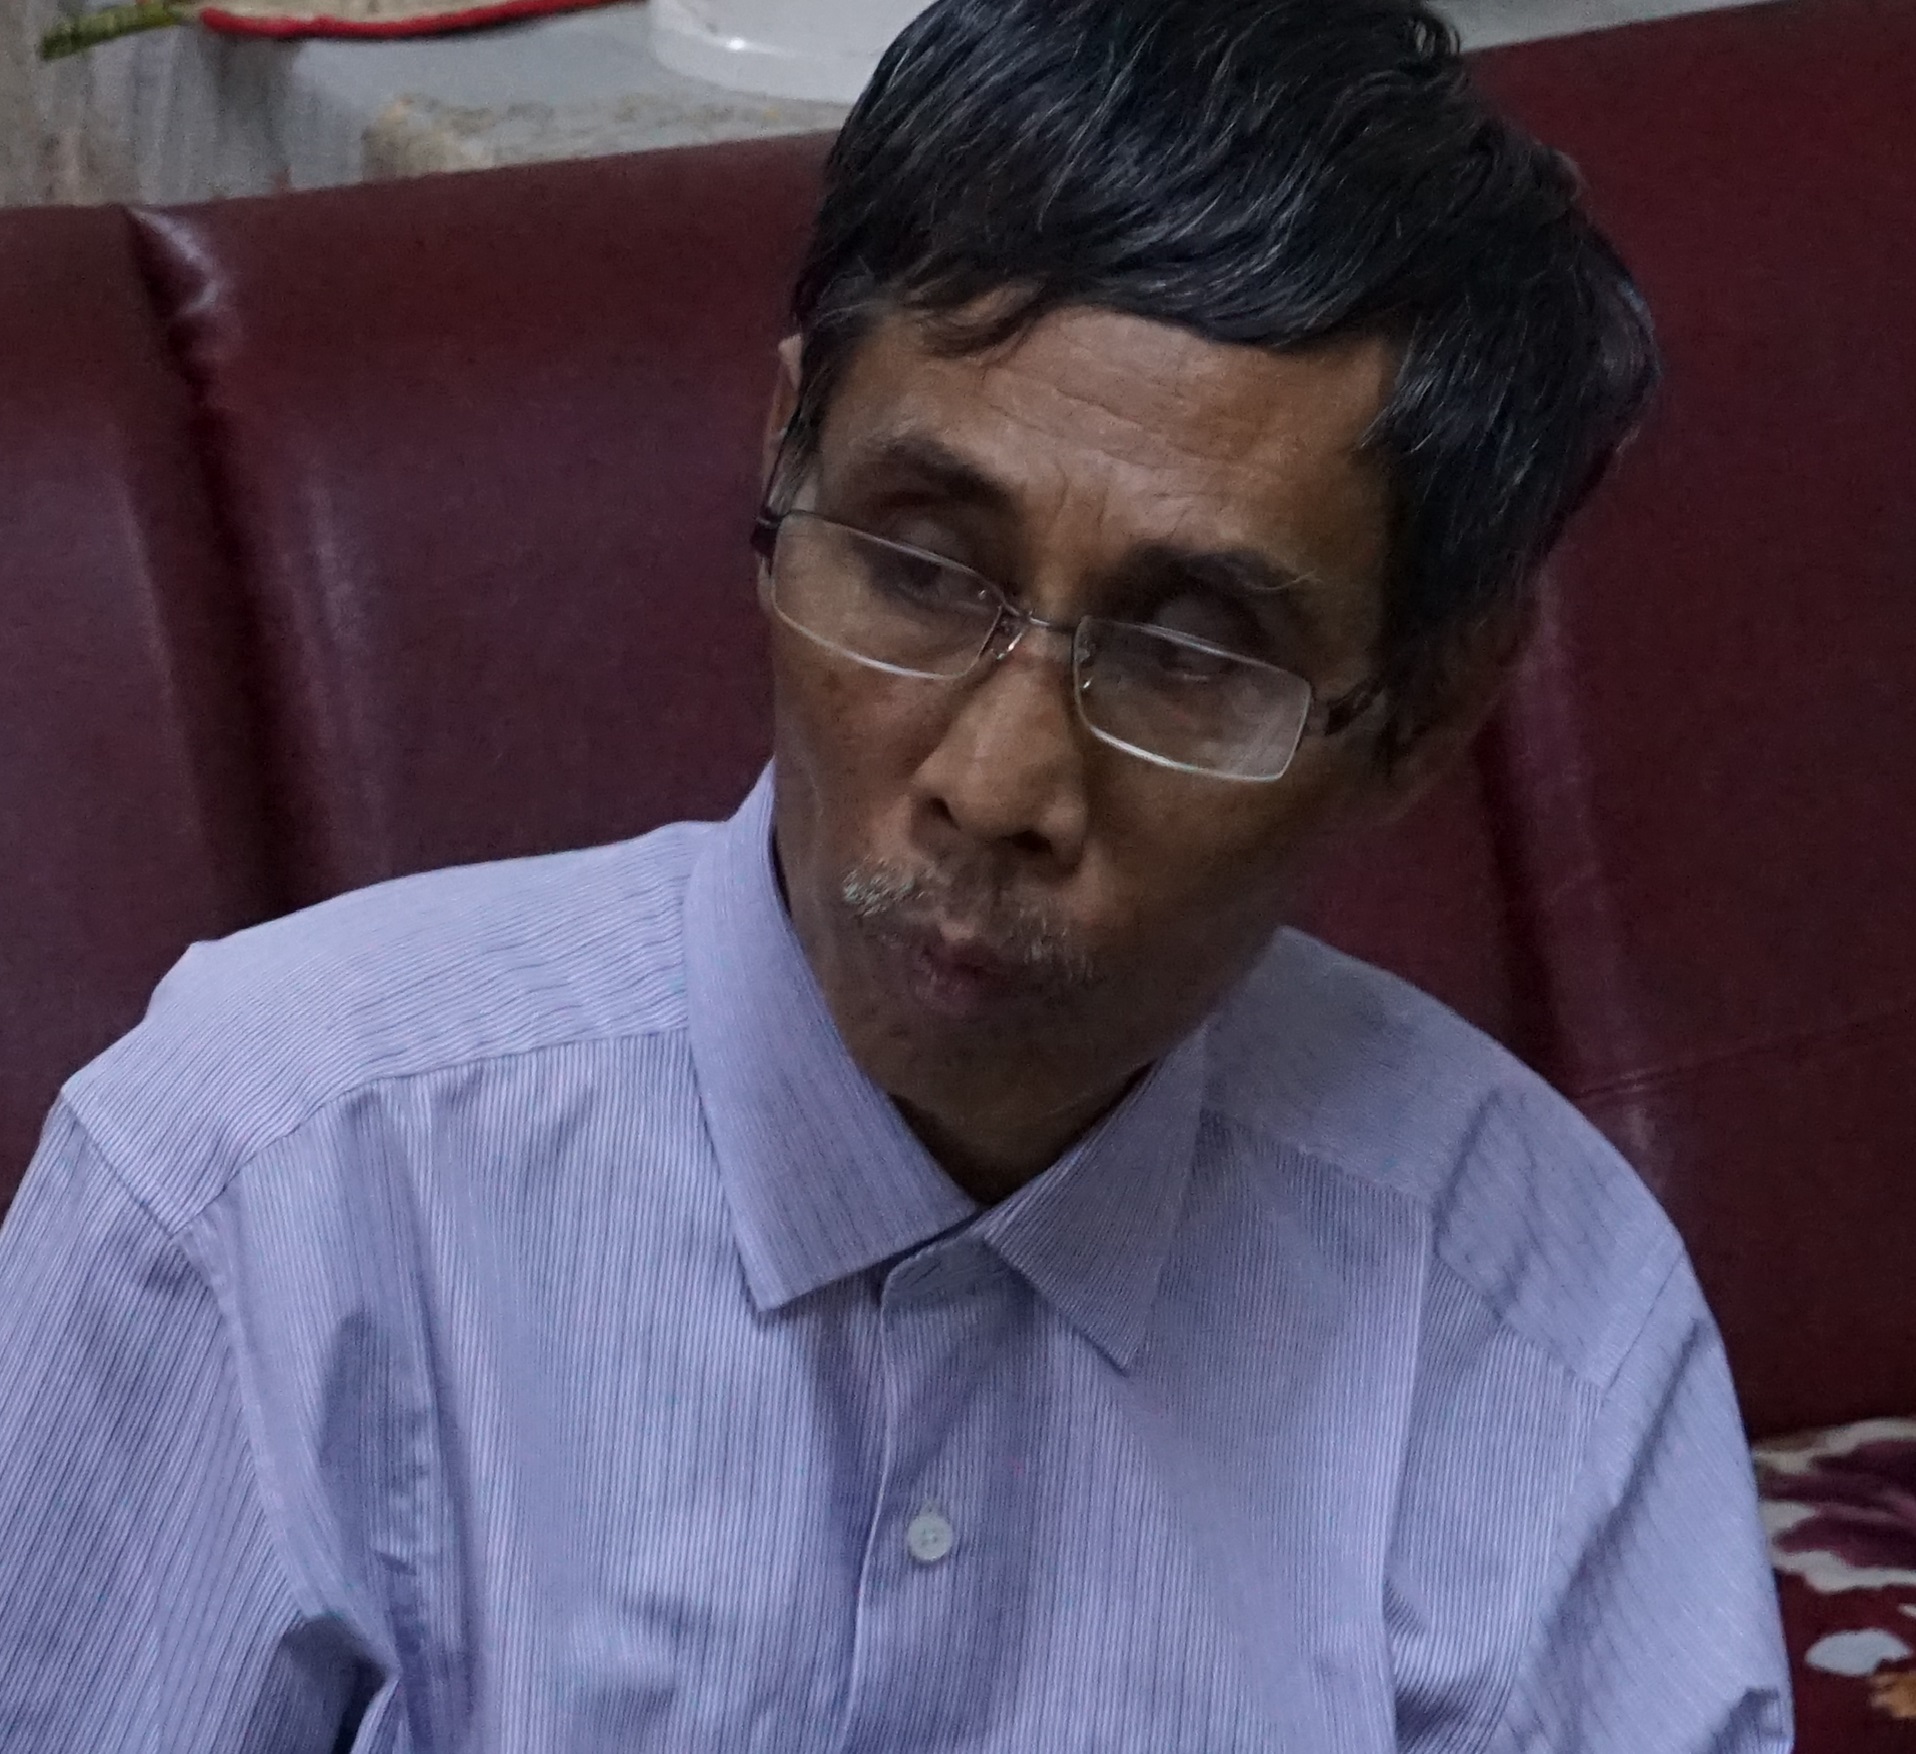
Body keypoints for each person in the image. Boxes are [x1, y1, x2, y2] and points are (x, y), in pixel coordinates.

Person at [0, 0, 1792, 1748]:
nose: (996, 785)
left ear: (1428, 710)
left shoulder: (1536, 1326)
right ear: (787, 453)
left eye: (1189, 655)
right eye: (920, 567)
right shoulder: (268, 1186)